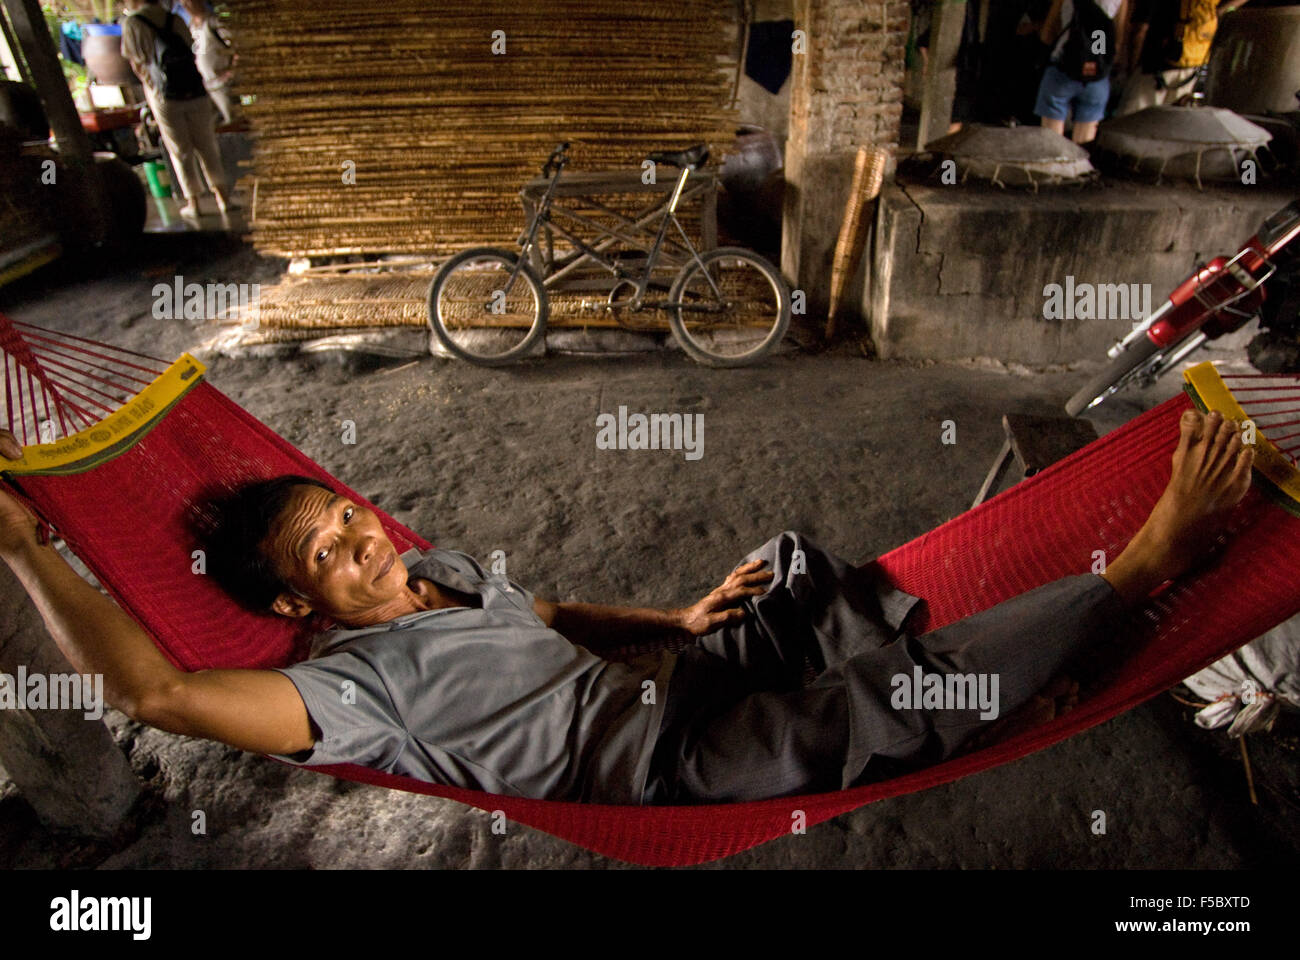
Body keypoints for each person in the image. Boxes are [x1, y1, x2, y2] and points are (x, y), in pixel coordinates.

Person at [0, 409, 1255, 804]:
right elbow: (155, 693)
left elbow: (539, 611)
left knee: (795, 571)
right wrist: (30, 550)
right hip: (670, 763)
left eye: (345, 514)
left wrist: (678, 616)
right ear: (294, 601)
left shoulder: (428, 572)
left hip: (672, 680)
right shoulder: (347, 695)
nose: (358, 540)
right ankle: (1136, 574)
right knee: (877, 703)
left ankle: (1012, 675)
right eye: (326, 555)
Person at [121, 0, 233, 219]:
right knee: (207, 144)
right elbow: (190, 50)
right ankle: (223, 199)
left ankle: (195, 204)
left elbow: (137, 63)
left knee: (180, 149)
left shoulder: (133, 24)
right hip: (194, 90)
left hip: (164, 95)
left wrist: (152, 85)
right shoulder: (175, 19)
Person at [1115, 0, 1249, 116]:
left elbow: (1140, 30)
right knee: (1171, 128)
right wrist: (1220, 12)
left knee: (1127, 126)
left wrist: (1130, 68)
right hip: (1191, 68)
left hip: (1153, 70)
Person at [1034, 0, 1129, 143]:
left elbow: (1047, 34)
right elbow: (1118, 39)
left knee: (1051, 142)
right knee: (1084, 145)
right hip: (1097, 75)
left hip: (1061, 71)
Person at [180, 0, 240, 126]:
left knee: (233, 122)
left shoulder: (214, 22)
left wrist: (231, 71)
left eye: (188, 2)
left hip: (223, 84)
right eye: (183, 3)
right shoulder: (192, 27)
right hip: (207, 86)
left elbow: (236, 46)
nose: (186, 6)